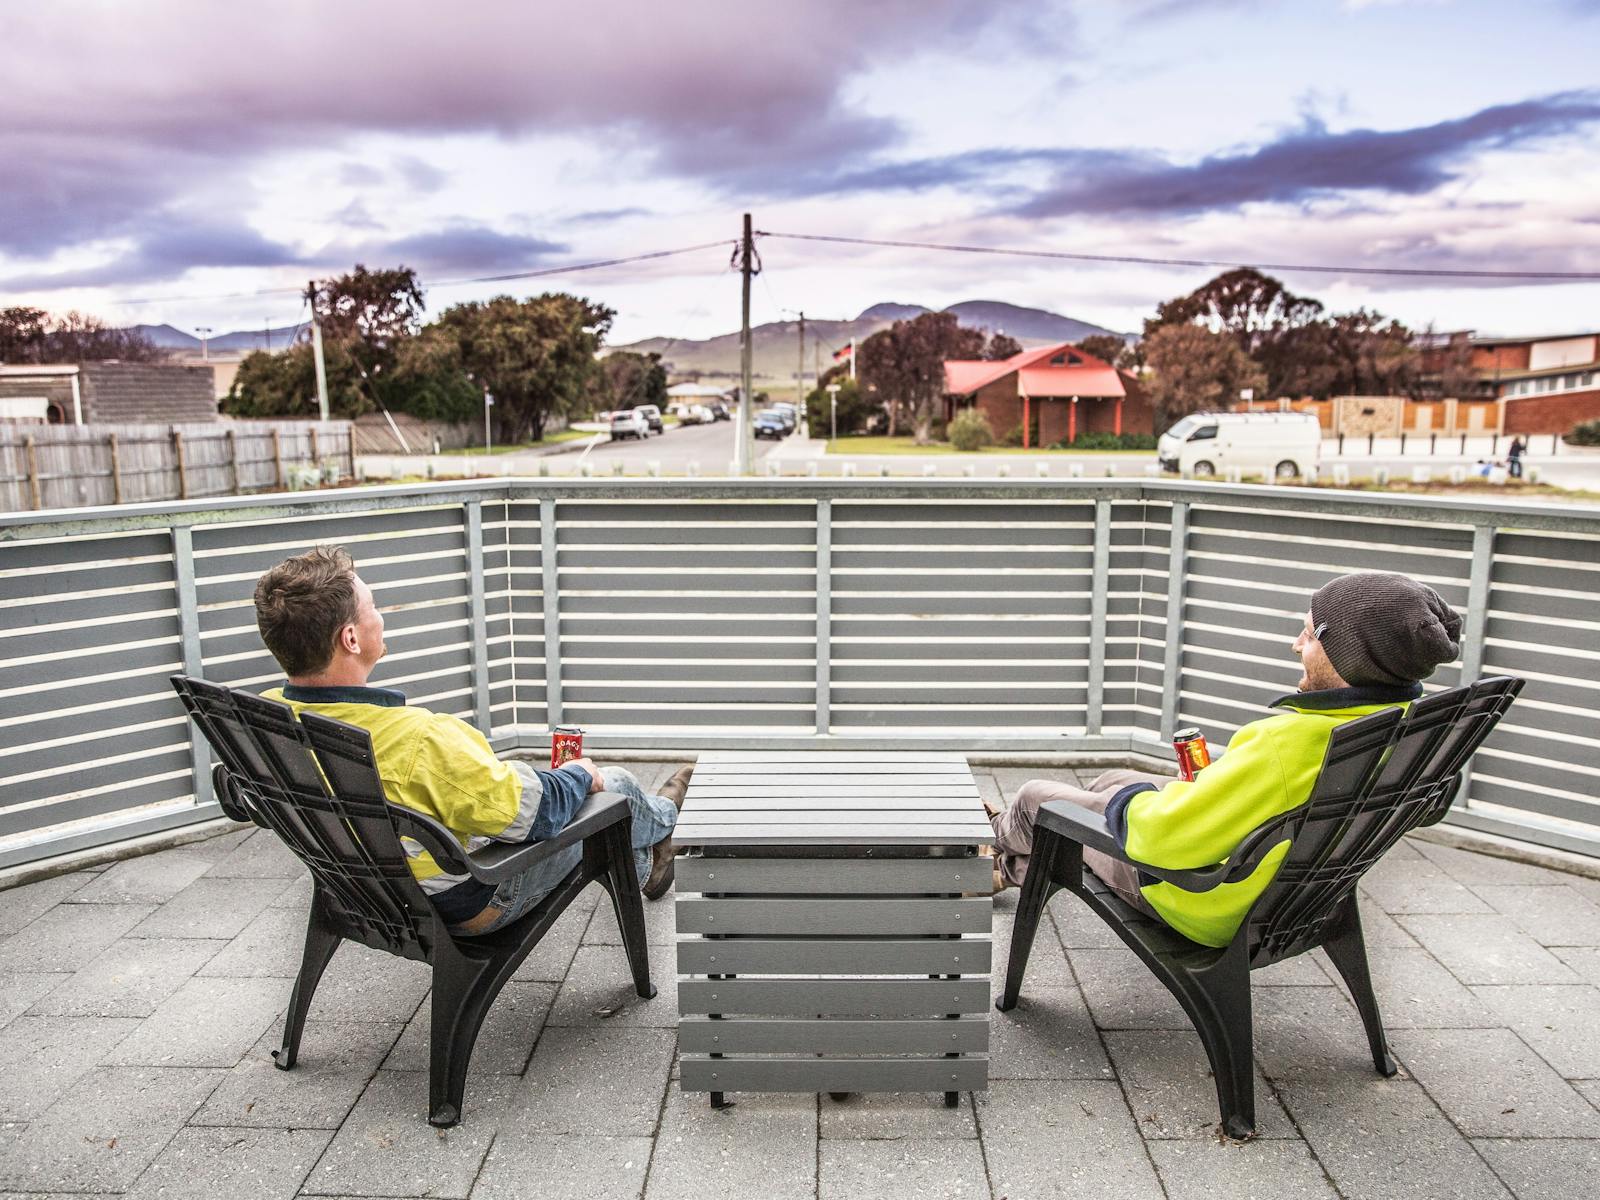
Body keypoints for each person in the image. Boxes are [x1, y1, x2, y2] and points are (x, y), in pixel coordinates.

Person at [987, 572, 1463, 948]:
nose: (1296, 645)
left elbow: (1159, 838)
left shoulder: (1287, 742)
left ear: (1349, 656)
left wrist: (1150, 801)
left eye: (1308, 635)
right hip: (1297, 895)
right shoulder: (1409, 729)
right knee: (1110, 778)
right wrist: (1205, 788)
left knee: (1037, 800)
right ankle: (1006, 867)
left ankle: (984, 844)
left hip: (1204, 898)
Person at [252, 545, 689, 937]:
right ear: (350, 638)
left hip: (362, 888)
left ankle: (649, 858)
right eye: (373, 606)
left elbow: (244, 797)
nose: (380, 616)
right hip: (468, 899)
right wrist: (578, 773)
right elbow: (535, 814)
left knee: (595, 805)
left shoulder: (264, 719)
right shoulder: (417, 740)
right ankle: (668, 824)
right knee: (613, 788)